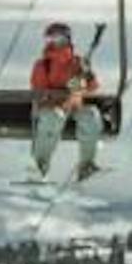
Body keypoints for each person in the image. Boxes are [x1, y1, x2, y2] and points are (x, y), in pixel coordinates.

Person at [28, 22, 106, 184]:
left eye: (59, 38)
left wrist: (86, 77)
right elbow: (39, 90)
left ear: (67, 39)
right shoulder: (43, 65)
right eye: (51, 38)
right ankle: (39, 166)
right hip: (51, 108)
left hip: (74, 107)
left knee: (91, 116)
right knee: (52, 119)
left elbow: (92, 87)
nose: (55, 42)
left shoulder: (77, 63)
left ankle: (87, 164)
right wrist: (60, 99)